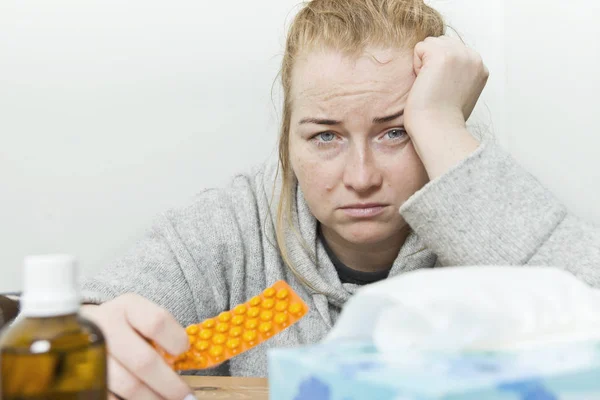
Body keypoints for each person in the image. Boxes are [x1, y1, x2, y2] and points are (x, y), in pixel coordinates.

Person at [75, 0, 600, 399]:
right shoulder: (232, 226)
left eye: (396, 132)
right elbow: (84, 323)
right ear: (288, 143)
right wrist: (90, 332)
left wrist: (441, 124)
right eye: (325, 136)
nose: (362, 176)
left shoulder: (488, 212)